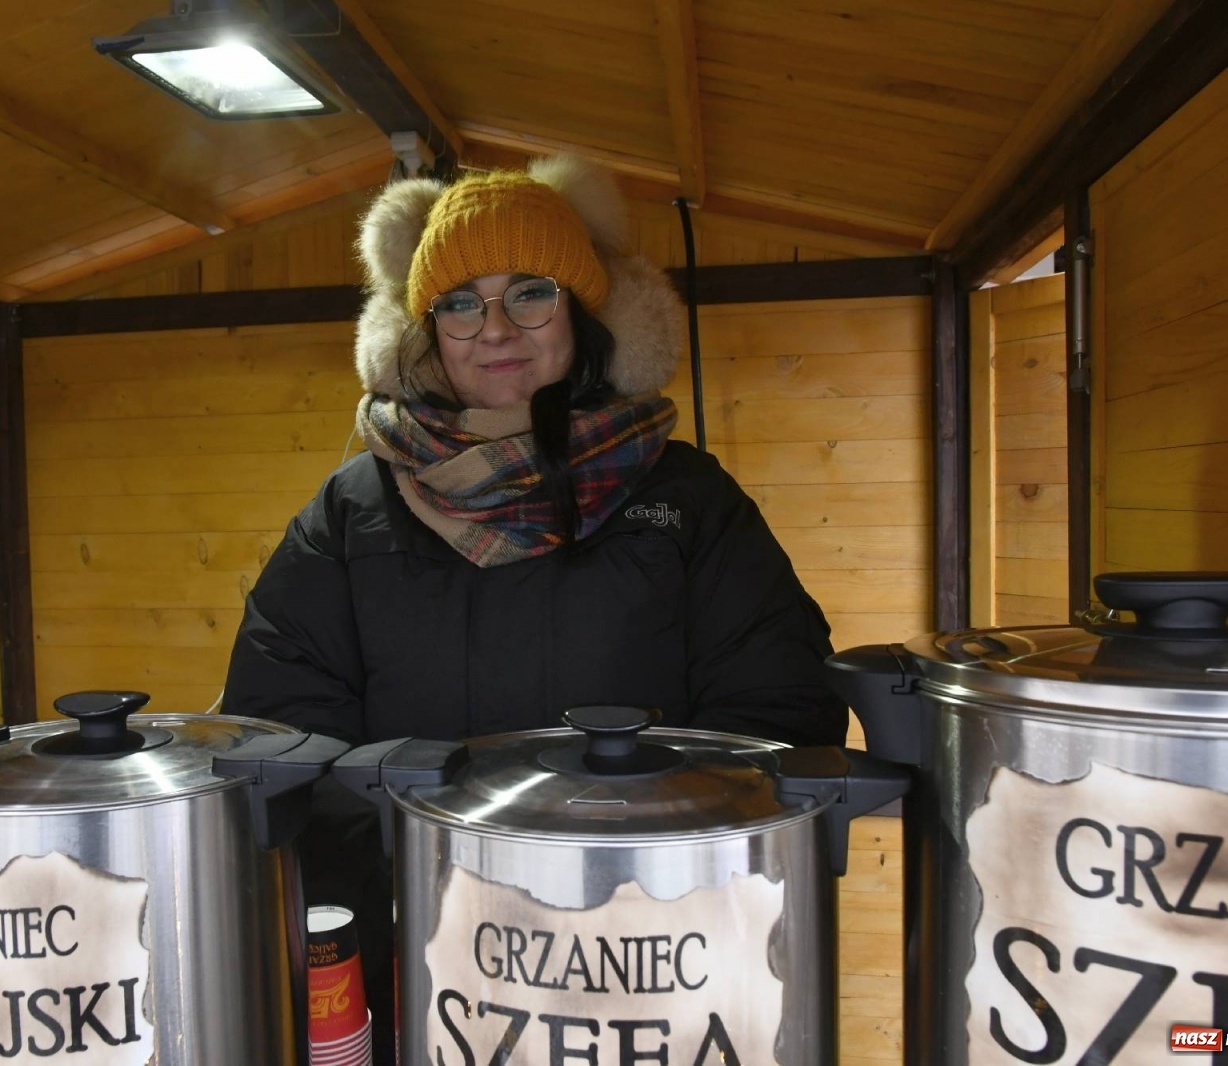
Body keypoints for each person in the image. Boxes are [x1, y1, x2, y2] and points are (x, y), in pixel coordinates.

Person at [220, 155, 847, 1060]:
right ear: (426, 331)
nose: (495, 329)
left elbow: (780, 712)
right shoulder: (351, 512)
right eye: (460, 303)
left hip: (653, 962)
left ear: (584, 313)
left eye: (530, 293)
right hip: (424, 958)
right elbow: (279, 734)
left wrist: (631, 851)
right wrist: (440, 849)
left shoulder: (688, 499)